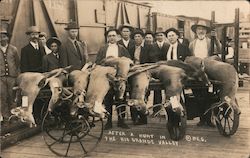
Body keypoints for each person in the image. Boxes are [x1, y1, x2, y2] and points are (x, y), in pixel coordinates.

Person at [95, 27, 131, 130]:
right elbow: (98, 62)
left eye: (113, 35)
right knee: (108, 99)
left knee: (121, 98)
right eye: (109, 36)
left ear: (118, 37)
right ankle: (109, 121)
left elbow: (128, 61)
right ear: (107, 38)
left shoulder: (122, 48)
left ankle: (121, 121)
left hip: (119, 77)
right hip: (107, 77)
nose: (112, 38)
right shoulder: (103, 49)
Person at [189, 21, 222, 127]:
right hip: (197, 72)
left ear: (206, 31)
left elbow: (220, 49)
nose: (201, 31)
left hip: (209, 70)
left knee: (209, 96)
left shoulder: (210, 41)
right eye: (199, 29)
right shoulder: (192, 44)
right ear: (196, 31)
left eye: (203, 29)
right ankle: (202, 119)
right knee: (198, 95)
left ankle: (209, 119)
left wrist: (215, 38)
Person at [147, 27, 170, 115]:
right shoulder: (151, 46)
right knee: (157, 90)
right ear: (155, 37)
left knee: (167, 89)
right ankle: (156, 109)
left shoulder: (168, 45)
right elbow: (150, 58)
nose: (159, 37)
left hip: (166, 70)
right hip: (155, 70)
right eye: (158, 35)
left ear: (164, 36)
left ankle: (168, 110)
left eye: (161, 35)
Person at [130, 28, 150, 125]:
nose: (137, 38)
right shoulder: (130, 48)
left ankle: (143, 117)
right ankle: (134, 117)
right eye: (135, 37)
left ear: (142, 38)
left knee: (142, 94)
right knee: (132, 94)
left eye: (139, 36)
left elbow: (151, 61)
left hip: (143, 71)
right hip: (132, 72)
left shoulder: (148, 47)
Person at [0, 28, 20, 123]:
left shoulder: (13, 49)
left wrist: (16, 75)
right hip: (1, 77)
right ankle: (5, 117)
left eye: (4, 36)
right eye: (0, 37)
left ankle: (14, 116)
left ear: (7, 38)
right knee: (3, 96)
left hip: (12, 77)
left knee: (12, 96)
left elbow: (17, 62)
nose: (2, 39)